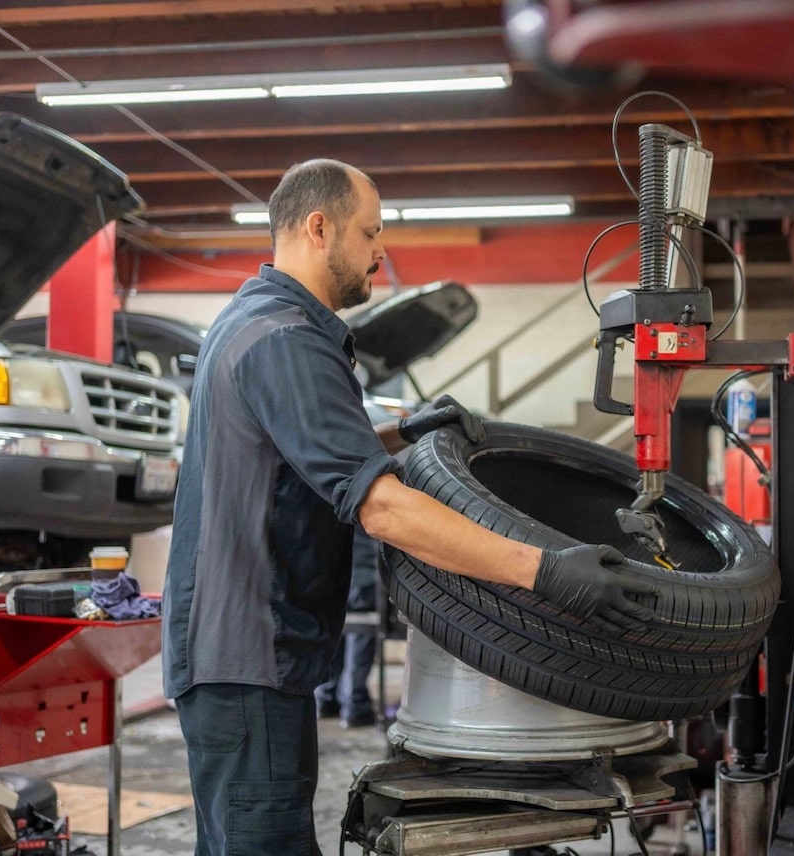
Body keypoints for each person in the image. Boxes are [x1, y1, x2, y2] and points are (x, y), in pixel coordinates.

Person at [161, 158, 656, 856]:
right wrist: (547, 571)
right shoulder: (286, 341)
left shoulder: (254, 322)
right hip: (248, 659)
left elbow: (307, 450)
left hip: (244, 659)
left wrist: (409, 430)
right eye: (371, 232)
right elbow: (383, 510)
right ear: (318, 227)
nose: (381, 250)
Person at [314, 534, 380, 727]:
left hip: (329, 572)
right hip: (362, 573)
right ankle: (354, 704)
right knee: (360, 635)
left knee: (334, 631)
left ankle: (326, 699)